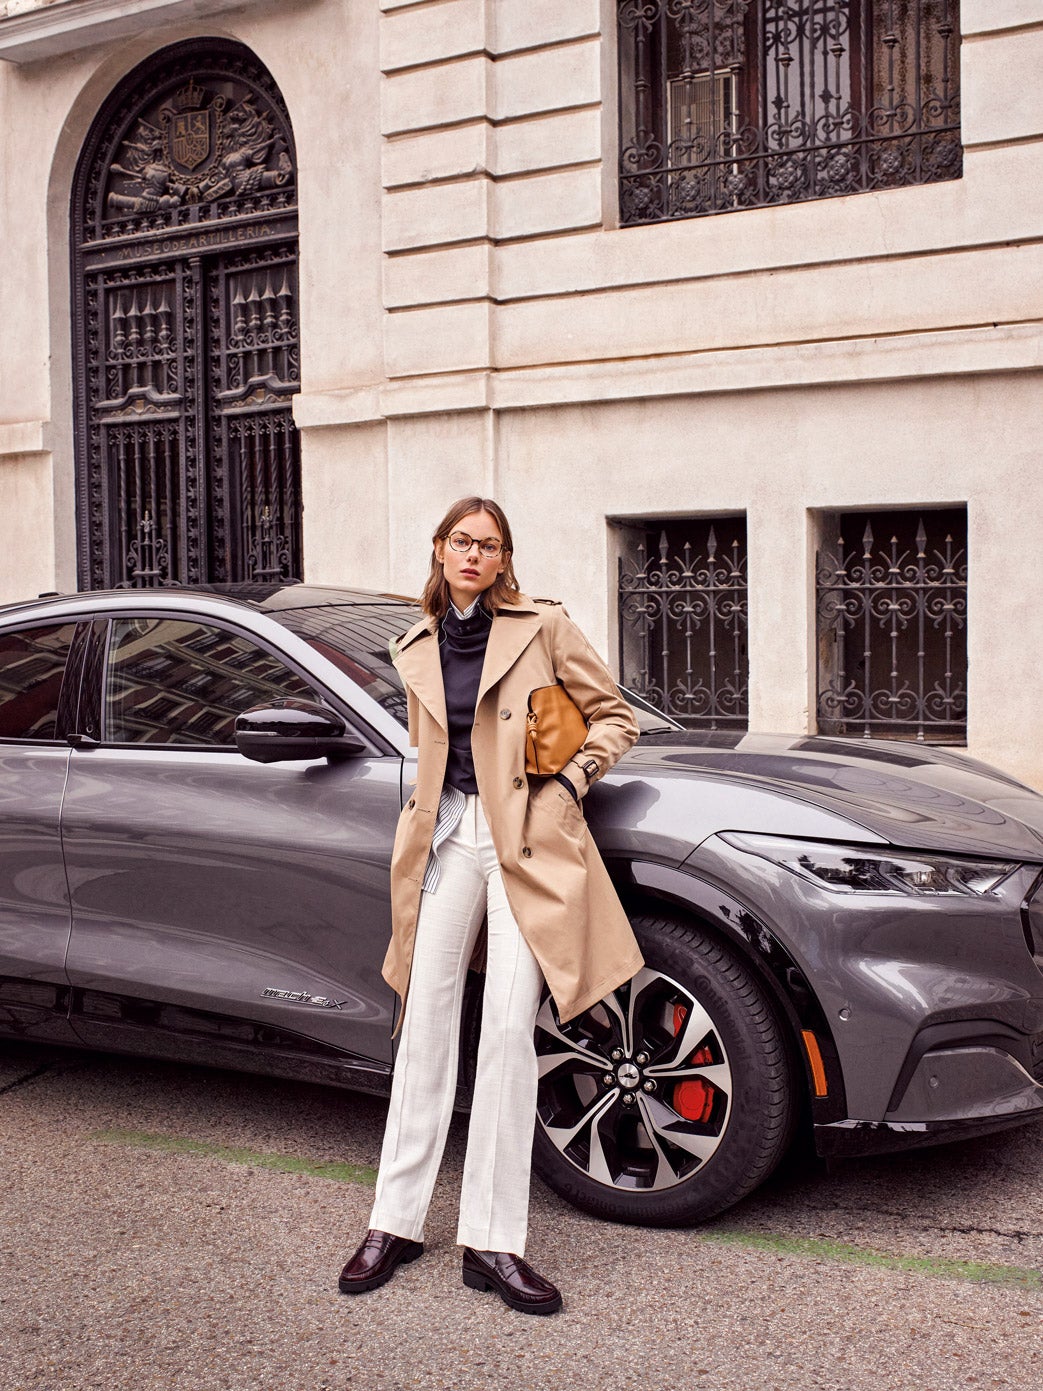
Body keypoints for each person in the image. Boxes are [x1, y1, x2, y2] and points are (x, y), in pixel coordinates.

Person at [337, 497, 642, 1315]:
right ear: (439, 550)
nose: (475, 554)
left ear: (504, 560)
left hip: (526, 839)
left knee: (508, 1029)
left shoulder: (541, 626)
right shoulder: (414, 644)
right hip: (446, 839)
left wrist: (569, 784)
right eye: (463, 541)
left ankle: (494, 1241)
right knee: (425, 1019)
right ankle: (393, 1222)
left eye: (491, 545)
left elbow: (615, 715)